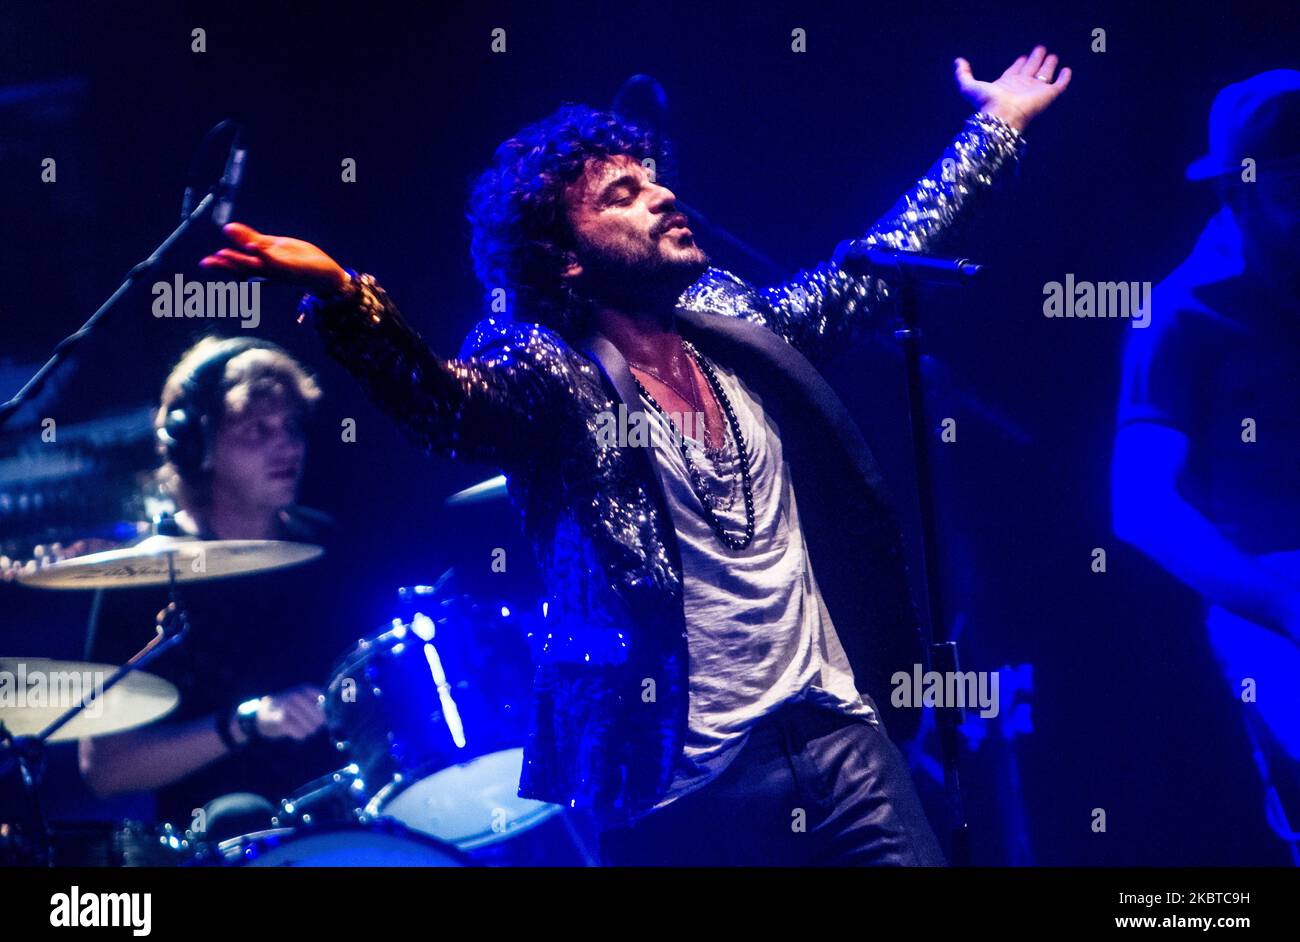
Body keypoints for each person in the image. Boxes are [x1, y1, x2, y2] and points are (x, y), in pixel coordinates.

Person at [200, 46, 1070, 865]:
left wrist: (995, 128)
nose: (659, 196)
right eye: (621, 193)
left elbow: (869, 277)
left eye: (654, 179)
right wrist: (348, 302)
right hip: (681, 783)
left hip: (838, 734)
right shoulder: (546, 366)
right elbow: (447, 408)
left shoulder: (733, 324)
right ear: (565, 262)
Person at [1112, 70, 1300, 857]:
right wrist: (1285, 607)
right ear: (1241, 191)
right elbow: (1141, 506)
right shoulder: (1183, 312)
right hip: (1272, 597)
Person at [79, 336, 355, 842]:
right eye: (258, 430)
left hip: (344, 823)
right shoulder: (142, 578)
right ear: (197, 446)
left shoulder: (325, 544)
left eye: (292, 428)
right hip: (217, 841)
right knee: (237, 814)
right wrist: (245, 723)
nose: (287, 446)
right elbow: (106, 769)